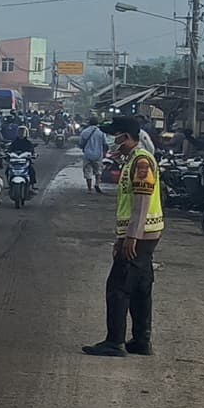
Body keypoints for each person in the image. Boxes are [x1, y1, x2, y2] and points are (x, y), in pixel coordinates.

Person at [85, 116, 165, 357]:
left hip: (141, 235)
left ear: (126, 137)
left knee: (118, 287)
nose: (112, 139)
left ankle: (115, 342)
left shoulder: (141, 162)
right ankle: (141, 340)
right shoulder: (133, 160)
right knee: (141, 287)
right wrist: (122, 237)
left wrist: (131, 238)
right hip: (143, 234)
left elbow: (141, 202)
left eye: (115, 135)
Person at [77, 119, 110, 194]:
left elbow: (81, 144)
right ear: (97, 123)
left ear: (89, 123)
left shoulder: (84, 132)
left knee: (88, 171)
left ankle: (89, 189)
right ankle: (97, 184)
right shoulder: (101, 132)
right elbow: (105, 144)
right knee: (98, 170)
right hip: (98, 154)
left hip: (87, 154)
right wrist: (104, 153)